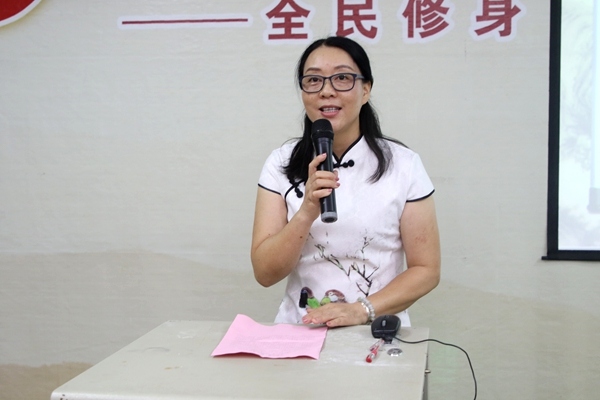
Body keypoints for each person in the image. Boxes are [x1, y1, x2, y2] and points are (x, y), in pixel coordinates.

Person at [251, 36, 440, 328]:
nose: (326, 91)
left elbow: (426, 269)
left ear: (366, 90)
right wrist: (306, 212)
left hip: (374, 329)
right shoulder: (280, 163)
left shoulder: (404, 165)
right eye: (313, 80)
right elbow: (265, 273)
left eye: (342, 78)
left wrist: (361, 310)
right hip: (301, 329)